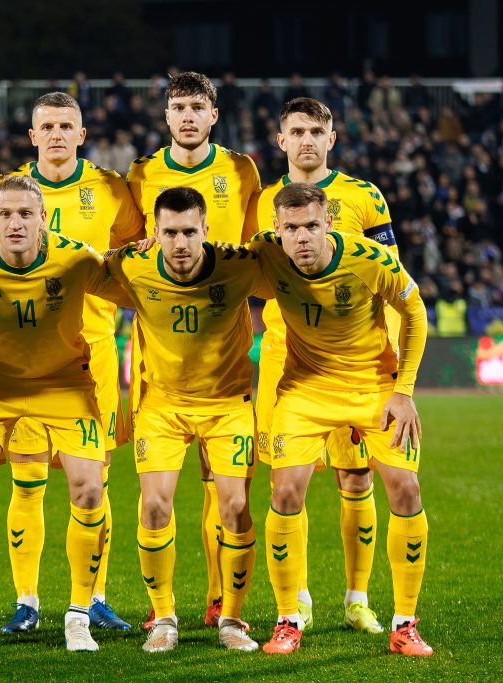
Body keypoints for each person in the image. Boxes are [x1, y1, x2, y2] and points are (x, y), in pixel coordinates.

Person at [0, 175, 125, 654]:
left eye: (25, 214)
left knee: (89, 486)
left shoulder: (77, 258)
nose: (15, 223)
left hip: (64, 382)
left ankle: (78, 615)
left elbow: (138, 291)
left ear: (43, 218)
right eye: (6, 215)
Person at [249, 183, 432, 657]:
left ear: (329, 222)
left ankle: (405, 623)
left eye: (312, 225)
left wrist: (404, 391)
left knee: (405, 488)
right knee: (285, 490)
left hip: (372, 385)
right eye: (291, 228)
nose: (302, 237)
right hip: (304, 389)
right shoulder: (263, 255)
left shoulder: (371, 258)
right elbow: (210, 262)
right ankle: (288, 618)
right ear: (277, 231)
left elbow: (414, 309)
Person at [0, 91, 144, 633]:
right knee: (27, 480)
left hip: (94, 351)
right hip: (26, 356)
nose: (56, 134)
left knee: (94, 481)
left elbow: (131, 255)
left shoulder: (110, 190)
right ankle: (26, 603)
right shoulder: (7, 192)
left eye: (66, 126)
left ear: (82, 134)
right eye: (46, 126)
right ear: (32, 136)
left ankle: (94, 596)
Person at [246, 97, 399, 634]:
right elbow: (248, 268)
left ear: (331, 138)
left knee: (356, 480)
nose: (307, 140)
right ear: (280, 139)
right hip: (286, 362)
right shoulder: (264, 199)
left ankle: (357, 599)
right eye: (296, 131)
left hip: (354, 364)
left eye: (317, 130)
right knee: (286, 485)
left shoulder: (364, 196)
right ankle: (299, 600)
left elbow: (392, 282)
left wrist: (396, 371)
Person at [126, 70, 261, 628]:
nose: (186, 116)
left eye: (196, 107)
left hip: (225, 354)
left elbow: (255, 249)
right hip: (162, 349)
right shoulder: (142, 174)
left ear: (213, 116)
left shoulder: (241, 170)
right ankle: (166, 614)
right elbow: (127, 249)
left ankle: (219, 604)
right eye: (177, 106)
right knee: (157, 498)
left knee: (224, 491)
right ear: (166, 116)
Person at [106, 186, 265, 653]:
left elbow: (292, 282)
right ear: (154, 234)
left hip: (227, 404)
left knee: (235, 508)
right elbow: (86, 272)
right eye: (170, 232)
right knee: (155, 506)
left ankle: (231, 620)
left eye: (189, 232)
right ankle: (164, 617)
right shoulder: (133, 266)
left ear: (206, 232)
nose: (179, 243)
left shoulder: (239, 266)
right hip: (162, 406)